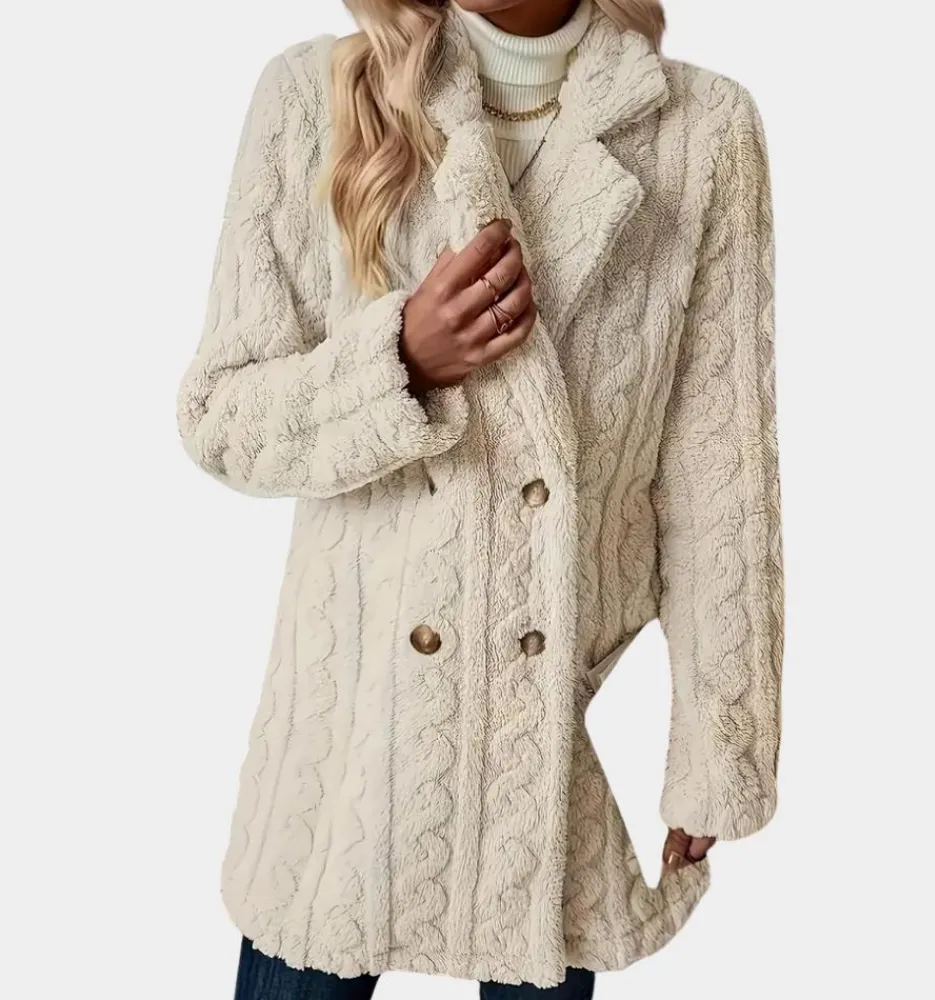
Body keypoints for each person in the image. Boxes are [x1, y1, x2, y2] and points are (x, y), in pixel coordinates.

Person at [174, 0, 785, 996]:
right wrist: (399, 362)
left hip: (548, 744)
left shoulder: (701, 129)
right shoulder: (315, 94)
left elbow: (720, 478)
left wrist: (721, 745)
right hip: (350, 742)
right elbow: (219, 416)